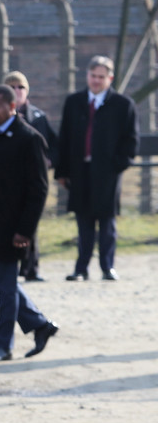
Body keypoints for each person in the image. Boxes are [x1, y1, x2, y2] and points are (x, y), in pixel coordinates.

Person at [0, 86, 59, 362]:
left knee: (5, 288)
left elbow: (38, 190)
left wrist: (25, 230)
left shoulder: (30, 139)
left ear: (12, 107)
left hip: (11, 227)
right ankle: (40, 325)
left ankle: (2, 346)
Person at [54, 56, 140, 282]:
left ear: (110, 78)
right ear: (87, 76)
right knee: (83, 221)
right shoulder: (74, 102)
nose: (96, 81)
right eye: (93, 76)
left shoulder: (123, 105)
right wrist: (62, 171)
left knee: (107, 221)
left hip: (107, 172)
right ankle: (81, 268)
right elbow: (65, 137)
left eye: (101, 77)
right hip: (79, 171)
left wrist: (118, 165)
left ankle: (107, 267)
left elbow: (130, 141)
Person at [0, 71, 58, 282]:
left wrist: (48, 161)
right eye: (12, 87)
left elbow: (51, 145)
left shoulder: (37, 118)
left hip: (27, 178)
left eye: (21, 87)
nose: (17, 91)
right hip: (1, 183)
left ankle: (31, 267)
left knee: (29, 224)